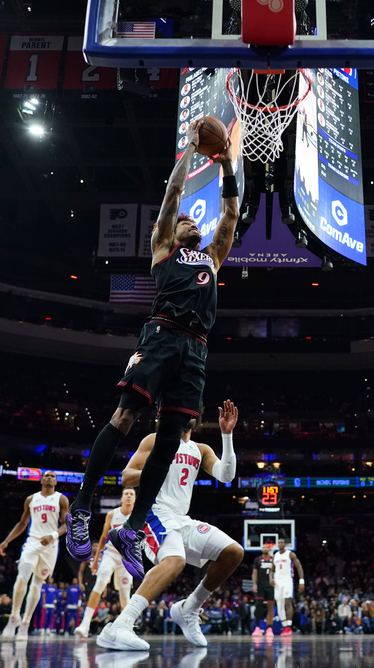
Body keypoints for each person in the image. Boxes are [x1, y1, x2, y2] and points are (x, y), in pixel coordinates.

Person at [66, 124, 241, 575]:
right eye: (185, 221)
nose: (191, 222)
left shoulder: (212, 257)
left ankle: (133, 528)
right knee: (125, 417)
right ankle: (82, 506)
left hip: (196, 349)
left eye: (194, 222)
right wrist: (191, 148)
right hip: (161, 336)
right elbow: (173, 194)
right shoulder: (163, 248)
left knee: (171, 437)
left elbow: (230, 213)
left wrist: (226, 165)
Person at [96, 400, 243, 652]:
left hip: (181, 518)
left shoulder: (201, 449)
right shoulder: (155, 440)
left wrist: (227, 435)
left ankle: (189, 608)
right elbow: (126, 477)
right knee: (175, 561)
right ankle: (118, 626)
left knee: (233, 552)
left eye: (193, 407)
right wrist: (155, 468)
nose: (189, 411)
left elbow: (226, 475)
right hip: (154, 512)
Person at [0, 470, 68, 639]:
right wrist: (7, 541)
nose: (49, 478)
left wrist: (53, 535)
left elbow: (67, 524)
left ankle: (25, 623)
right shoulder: (31, 499)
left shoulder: (61, 499)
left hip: (50, 546)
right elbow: (22, 523)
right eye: (47, 476)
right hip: (32, 542)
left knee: (37, 584)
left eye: (52, 476)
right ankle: (14, 616)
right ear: (41, 480)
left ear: (56, 482)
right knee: (22, 577)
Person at [75, 487, 137, 637]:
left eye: (131, 494)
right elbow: (103, 538)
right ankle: (85, 624)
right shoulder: (112, 514)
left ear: (135, 499)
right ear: (122, 498)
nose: (129, 496)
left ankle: (127, 628)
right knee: (100, 583)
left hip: (126, 558)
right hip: (110, 554)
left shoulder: (138, 516)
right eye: (126, 494)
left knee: (125, 594)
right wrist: (96, 560)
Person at [272, 536, 305, 636]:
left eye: (282, 542)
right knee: (279, 605)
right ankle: (284, 626)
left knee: (288, 601)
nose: (280, 544)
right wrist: (271, 579)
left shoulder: (290, 554)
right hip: (277, 582)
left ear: (285, 544)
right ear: (277, 544)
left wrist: (301, 581)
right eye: (279, 542)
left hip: (287, 580)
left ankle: (289, 627)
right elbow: (271, 570)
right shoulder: (275, 556)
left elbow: (299, 567)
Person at [251, 543, 276, 636]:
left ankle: (269, 628)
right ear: (262, 549)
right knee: (258, 606)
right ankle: (257, 627)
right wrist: (254, 584)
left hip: (270, 585)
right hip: (260, 585)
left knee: (270, 607)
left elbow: (276, 572)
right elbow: (254, 573)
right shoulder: (257, 559)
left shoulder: (273, 559)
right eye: (263, 547)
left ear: (269, 549)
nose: (265, 548)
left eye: (266, 547)